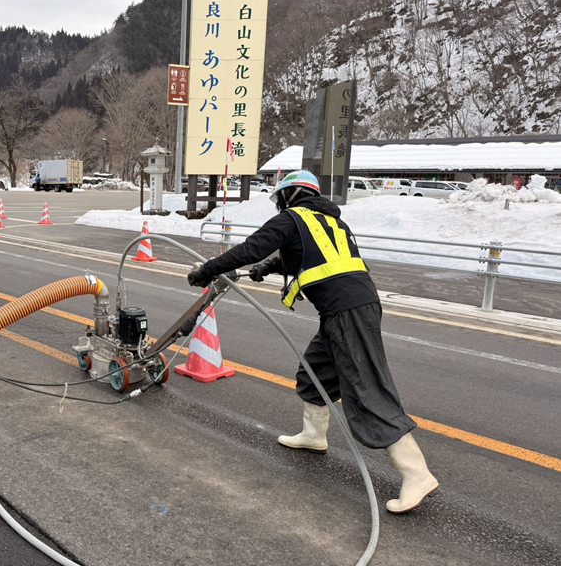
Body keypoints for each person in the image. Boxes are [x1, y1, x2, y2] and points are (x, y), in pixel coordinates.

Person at [187, 170, 439, 514]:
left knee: (366, 389)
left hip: (346, 312)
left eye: (280, 199)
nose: (279, 207)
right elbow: (311, 254)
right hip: (348, 308)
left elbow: (250, 248)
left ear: (291, 195)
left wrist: (208, 269)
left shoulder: (293, 217)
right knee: (315, 372)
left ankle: (417, 473)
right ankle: (314, 435)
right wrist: (269, 267)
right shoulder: (330, 221)